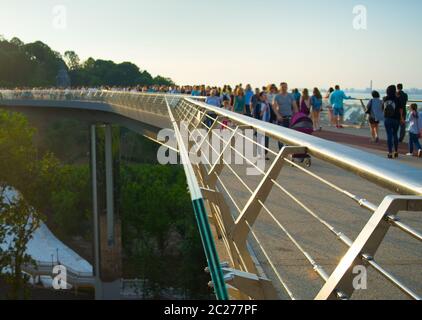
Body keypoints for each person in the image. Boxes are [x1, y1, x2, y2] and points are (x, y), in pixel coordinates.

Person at [273, 82, 299, 149]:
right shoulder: (277, 96)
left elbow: (295, 106)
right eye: (283, 87)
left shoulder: (291, 96)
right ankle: (281, 150)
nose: (284, 88)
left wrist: (296, 116)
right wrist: (278, 115)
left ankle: (287, 150)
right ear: (280, 88)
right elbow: (274, 107)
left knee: (289, 136)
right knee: (280, 135)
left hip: (289, 118)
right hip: (281, 119)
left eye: (285, 87)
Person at [383, 85, 404, 159]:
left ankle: (389, 153)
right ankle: (396, 152)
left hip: (387, 119)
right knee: (395, 134)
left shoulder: (385, 98)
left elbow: (383, 108)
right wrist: (401, 118)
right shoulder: (397, 99)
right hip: (396, 119)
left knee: (389, 135)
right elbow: (401, 109)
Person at [258, 92, 271, 160]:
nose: (265, 96)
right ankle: (260, 154)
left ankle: (265, 154)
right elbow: (259, 114)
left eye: (266, 95)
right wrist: (265, 107)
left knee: (266, 140)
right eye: (264, 95)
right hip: (261, 124)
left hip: (267, 124)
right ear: (260, 97)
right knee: (261, 139)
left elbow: (270, 114)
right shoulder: (259, 104)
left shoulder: (267, 104)